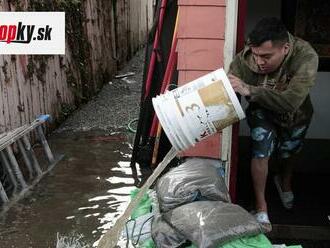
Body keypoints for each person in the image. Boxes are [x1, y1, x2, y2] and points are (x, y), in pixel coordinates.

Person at [228, 17, 318, 227]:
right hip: (262, 112)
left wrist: (249, 89)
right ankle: (261, 207)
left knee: (289, 152)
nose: (259, 62)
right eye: (257, 55)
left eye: (267, 56)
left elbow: (291, 102)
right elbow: (227, 94)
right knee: (261, 150)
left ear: (285, 48)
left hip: (296, 114)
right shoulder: (244, 59)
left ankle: (284, 181)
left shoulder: (306, 56)